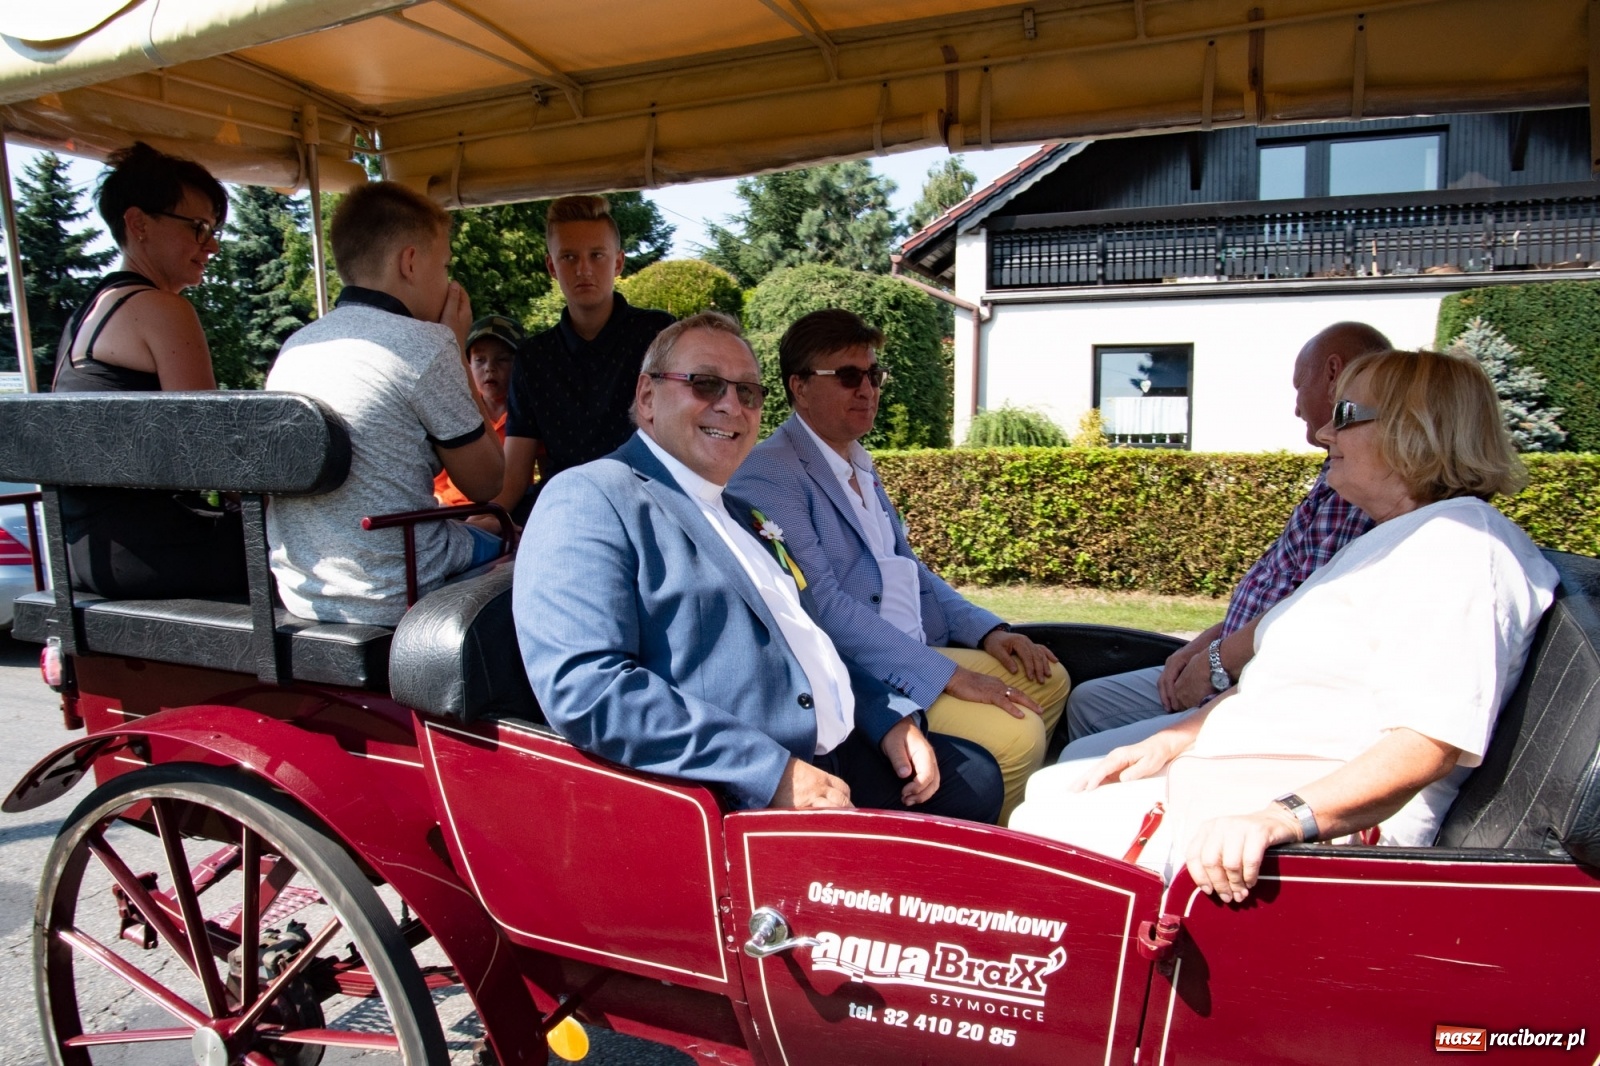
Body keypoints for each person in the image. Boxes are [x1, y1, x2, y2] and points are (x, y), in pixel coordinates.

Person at [1011, 348, 1559, 903]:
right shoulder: (1400, 536)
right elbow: (1286, 679)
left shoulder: (1457, 552)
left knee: (1039, 826)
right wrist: (1182, 739)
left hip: (1323, 823)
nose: (1323, 432)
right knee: (1048, 787)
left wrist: (1278, 818)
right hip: (1259, 767)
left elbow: (1426, 745)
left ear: (1411, 431)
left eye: (1345, 415)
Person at [515, 312, 1003, 820]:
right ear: (647, 397)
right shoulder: (592, 495)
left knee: (975, 778)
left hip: (834, 749)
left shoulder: (745, 513)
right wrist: (769, 771)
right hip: (736, 793)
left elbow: (810, 636)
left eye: (747, 392)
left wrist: (886, 715)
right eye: (705, 384)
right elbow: (587, 686)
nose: (730, 405)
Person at [729, 309, 1069, 823]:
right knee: (1017, 733)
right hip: (869, 671)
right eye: (847, 376)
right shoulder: (770, 475)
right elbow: (825, 607)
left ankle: (1019, 824)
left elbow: (908, 568)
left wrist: (988, 632)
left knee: (1050, 677)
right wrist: (949, 675)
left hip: (917, 645)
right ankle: (996, 857)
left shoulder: (857, 462)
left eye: (873, 375)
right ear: (799, 387)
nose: (867, 389)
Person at [1065, 322, 1391, 741]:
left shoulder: (1364, 490)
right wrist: (1201, 646)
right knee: (1089, 702)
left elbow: (1299, 616)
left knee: (1079, 756)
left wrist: (1214, 668)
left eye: (1298, 388)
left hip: (1262, 684)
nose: (1300, 412)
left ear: (1332, 373)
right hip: (1239, 663)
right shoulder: (1338, 473)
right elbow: (1283, 589)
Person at [266, 181, 504, 626]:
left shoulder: (296, 346)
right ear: (410, 262)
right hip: (400, 586)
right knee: (516, 538)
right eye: (445, 264)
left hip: (302, 589)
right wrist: (455, 349)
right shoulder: (425, 346)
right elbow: (488, 482)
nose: (449, 280)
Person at [51, 141, 248, 600]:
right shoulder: (162, 309)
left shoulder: (91, 311)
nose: (212, 245)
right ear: (138, 223)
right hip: (149, 555)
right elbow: (212, 451)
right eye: (198, 228)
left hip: (85, 554)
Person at [493, 195, 673, 521]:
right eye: (569, 257)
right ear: (551, 266)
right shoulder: (533, 358)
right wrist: (487, 518)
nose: (583, 269)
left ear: (618, 262)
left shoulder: (659, 335)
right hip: (565, 510)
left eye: (597, 255)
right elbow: (515, 474)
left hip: (651, 505)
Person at [436, 314, 525, 506]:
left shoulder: (527, 415)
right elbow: (438, 484)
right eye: (479, 360)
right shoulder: (458, 410)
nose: (489, 368)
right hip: (451, 511)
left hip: (502, 512)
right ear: (467, 365)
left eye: (502, 359)